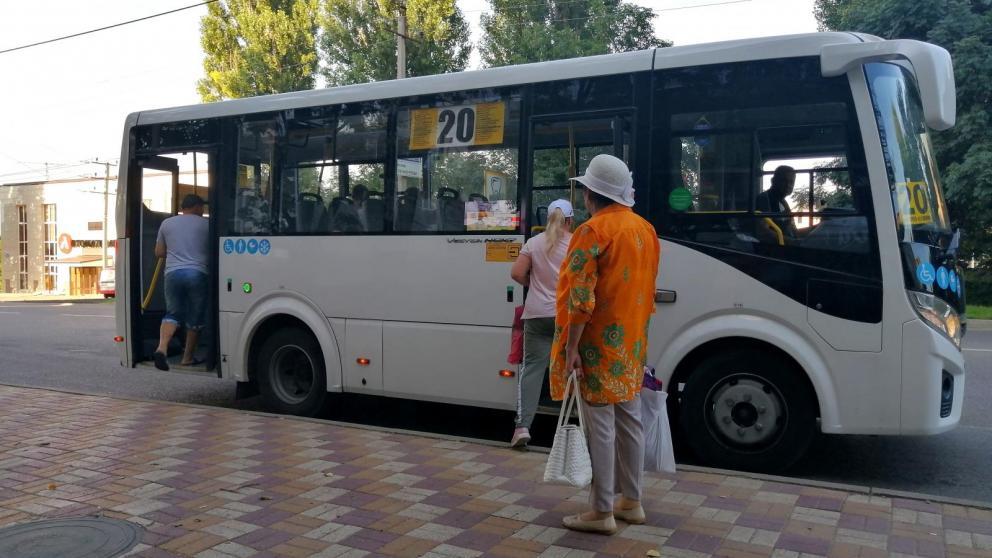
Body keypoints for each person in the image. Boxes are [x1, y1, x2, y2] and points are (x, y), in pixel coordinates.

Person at [550, 154, 660, 535]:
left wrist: (571, 348)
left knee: (600, 426)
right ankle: (632, 501)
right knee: (630, 421)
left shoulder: (592, 231)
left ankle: (601, 510)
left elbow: (580, 298)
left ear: (590, 193)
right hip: (631, 344)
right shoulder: (645, 229)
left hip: (597, 345)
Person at [509, 199, 575, 448]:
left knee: (533, 370)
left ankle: (522, 427)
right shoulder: (576, 243)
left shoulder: (534, 243)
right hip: (567, 316)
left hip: (536, 315)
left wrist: (533, 286)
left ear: (547, 219)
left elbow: (516, 273)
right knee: (574, 367)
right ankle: (583, 427)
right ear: (570, 220)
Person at [152, 194, 209, 371]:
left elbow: (159, 252)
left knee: (172, 313)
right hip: (197, 273)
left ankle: (162, 349)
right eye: (202, 207)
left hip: (172, 274)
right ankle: (187, 358)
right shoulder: (207, 224)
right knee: (195, 317)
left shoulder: (167, 224)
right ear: (198, 207)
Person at [755, 165, 798, 239]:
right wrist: (791, 242)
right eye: (784, 181)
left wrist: (817, 227)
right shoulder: (764, 199)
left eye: (791, 182)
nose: (788, 185)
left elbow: (793, 232)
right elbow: (763, 232)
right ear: (773, 181)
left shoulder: (784, 202)